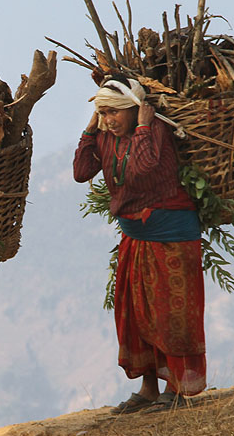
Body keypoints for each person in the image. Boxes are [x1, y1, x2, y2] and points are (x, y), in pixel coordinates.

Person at [73, 76, 206, 414]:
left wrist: (144, 127)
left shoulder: (155, 131)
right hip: (135, 236)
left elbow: (142, 170)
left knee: (170, 311)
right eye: (103, 113)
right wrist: (90, 129)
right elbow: (81, 171)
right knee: (136, 313)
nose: (108, 120)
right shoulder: (105, 136)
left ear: (134, 109)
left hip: (172, 237)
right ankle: (148, 388)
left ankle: (176, 387)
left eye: (113, 112)